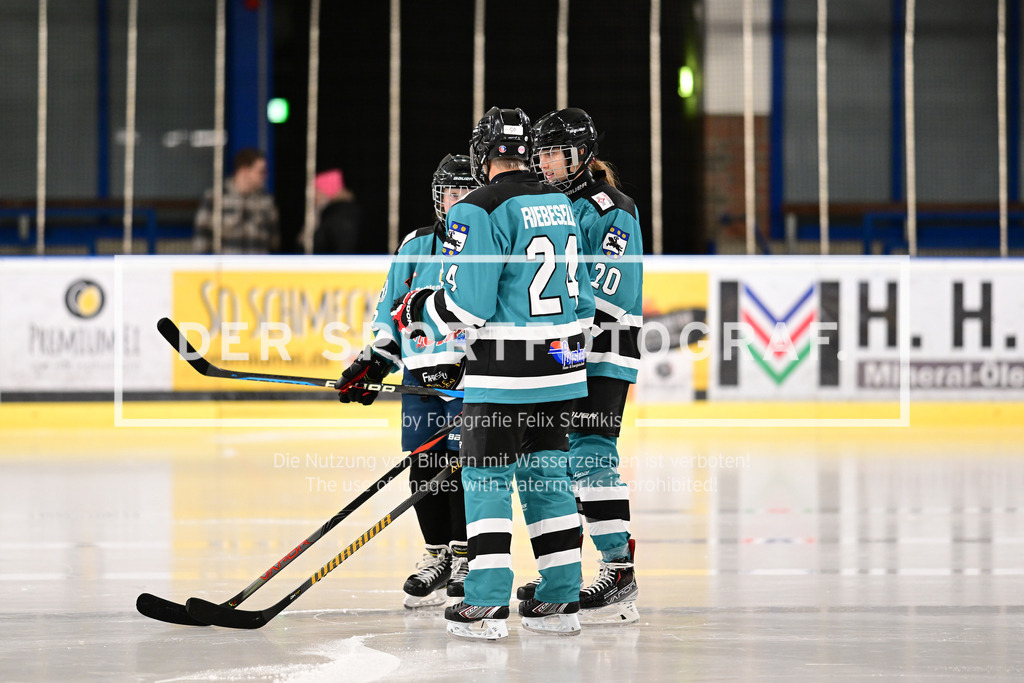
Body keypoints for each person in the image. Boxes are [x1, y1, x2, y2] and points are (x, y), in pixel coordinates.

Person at [389, 107, 596, 640]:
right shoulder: (560, 204)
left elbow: (468, 306)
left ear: (483, 155)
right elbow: (585, 300)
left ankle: (485, 602)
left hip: (504, 373)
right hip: (563, 367)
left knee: (486, 481)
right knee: (547, 480)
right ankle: (560, 598)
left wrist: (419, 310)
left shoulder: (478, 209)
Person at [517, 107, 643, 625]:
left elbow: (608, 291)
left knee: (590, 453)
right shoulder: (551, 207)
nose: (547, 163)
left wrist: (561, 339)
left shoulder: (611, 206)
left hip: (602, 346)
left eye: (556, 152)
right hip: (566, 347)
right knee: (557, 458)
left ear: (583, 155)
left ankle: (618, 570)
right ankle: (564, 571)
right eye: (541, 153)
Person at [335, 154, 477, 609]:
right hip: (419, 378)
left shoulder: (486, 247)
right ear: (437, 197)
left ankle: (467, 558)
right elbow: (389, 314)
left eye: (465, 192)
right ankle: (437, 556)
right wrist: (373, 363)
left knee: (464, 468)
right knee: (425, 465)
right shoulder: (415, 246)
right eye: (449, 192)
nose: (456, 201)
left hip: (468, 377)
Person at [193, 148, 280, 254]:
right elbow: (201, 239)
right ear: (244, 171)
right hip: (225, 269)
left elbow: (274, 241)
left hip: (258, 269)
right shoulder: (215, 198)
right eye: (261, 172)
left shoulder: (266, 201)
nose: (265, 176)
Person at [311, 168, 362, 254]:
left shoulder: (342, 216)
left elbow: (344, 251)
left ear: (327, 191)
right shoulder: (332, 214)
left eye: (317, 192)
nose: (314, 198)